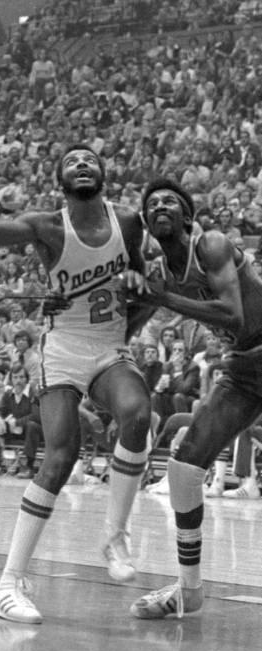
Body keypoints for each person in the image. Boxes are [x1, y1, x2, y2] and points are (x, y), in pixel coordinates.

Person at [0, 121, 151, 625]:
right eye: (72, 160)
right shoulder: (47, 226)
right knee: (59, 457)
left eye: (90, 159)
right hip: (63, 347)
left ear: (104, 176)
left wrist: (133, 301)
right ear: (61, 180)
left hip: (109, 344)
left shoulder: (128, 222)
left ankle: (115, 536)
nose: (82, 163)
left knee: (138, 413)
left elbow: (141, 285)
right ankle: (8, 583)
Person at [123, 177, 262, 620]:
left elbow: (233, 316)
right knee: (183, 469)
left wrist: (162, 297)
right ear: (147, 223)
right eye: (152, 204)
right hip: (244, 369)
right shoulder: (159, 274)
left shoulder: (212, 245)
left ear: (187, 217)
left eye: (170, 201)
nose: (160, 206)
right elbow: (125, 328)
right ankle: (189, 589)